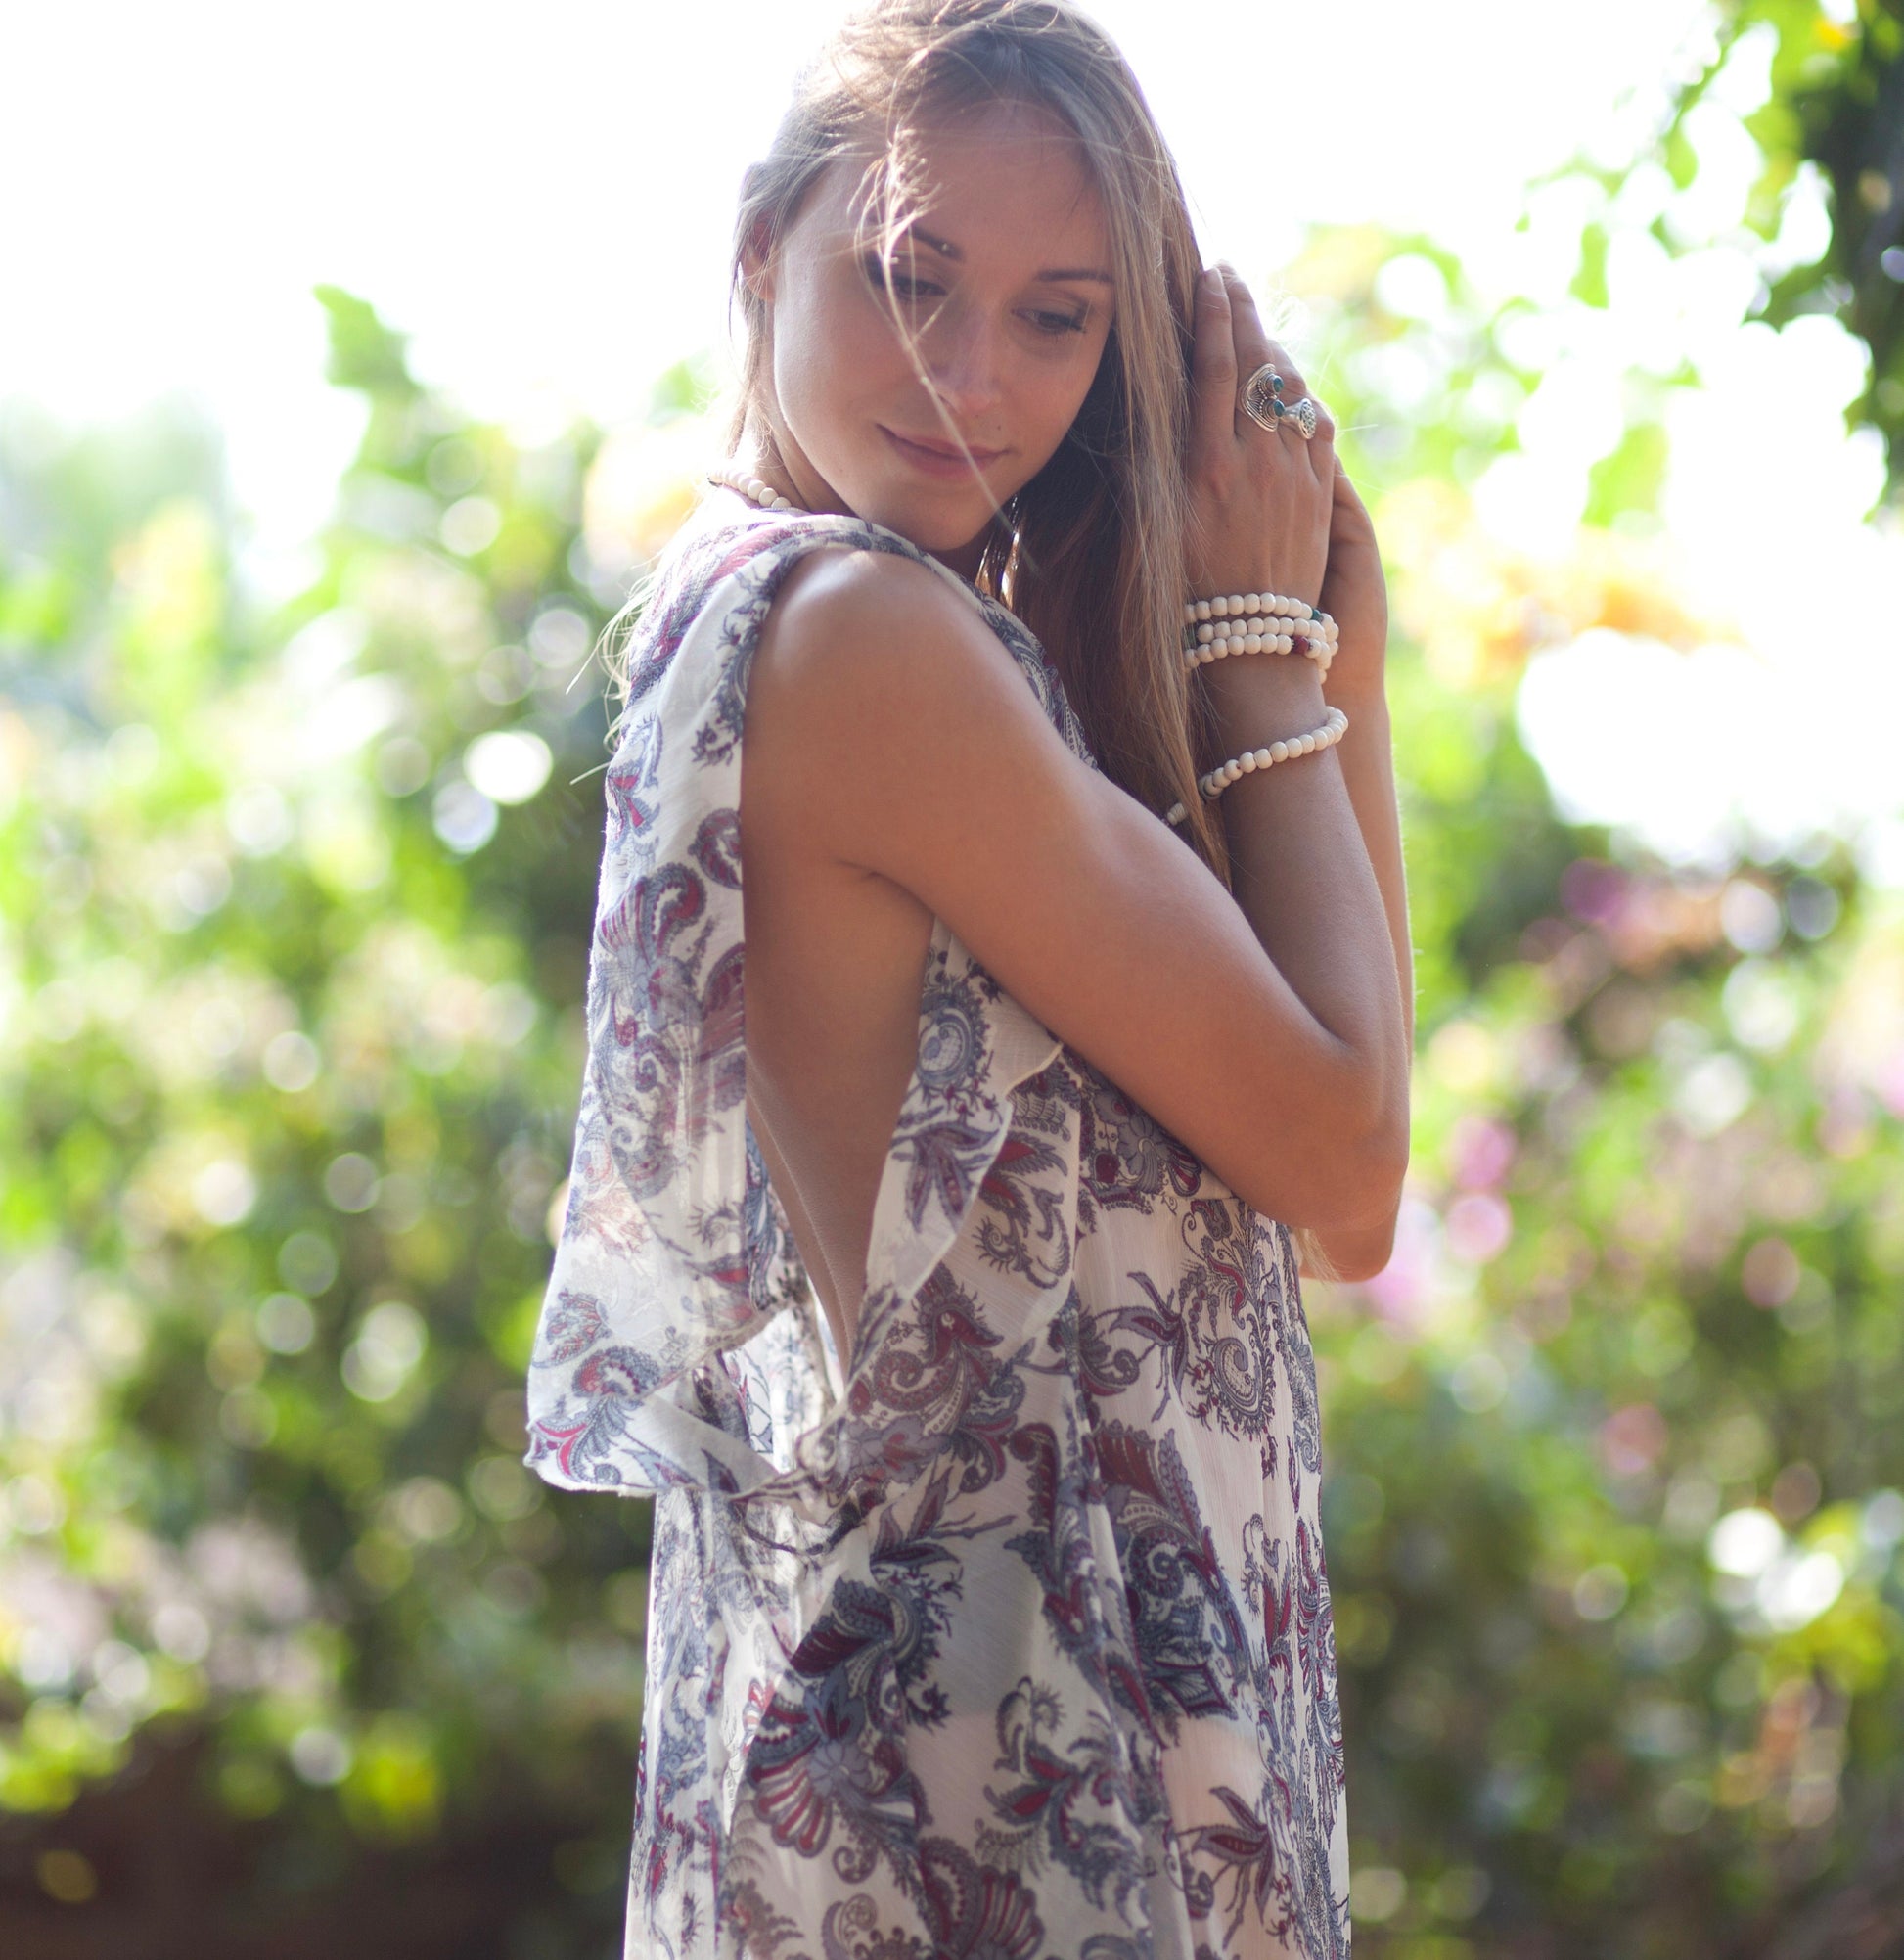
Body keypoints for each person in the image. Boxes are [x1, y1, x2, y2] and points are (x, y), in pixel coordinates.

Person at [524, 2, 1411, 1954]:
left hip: (1017, 1731)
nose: (970, 376)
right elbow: (1346, 1158)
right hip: (1012, 1773)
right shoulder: (855, 635)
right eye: (907, 278)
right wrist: (1277, 660)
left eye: (1055, 318)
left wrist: (1312, 640)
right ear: (759, 254)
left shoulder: (884, 633)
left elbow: (1339, 1200)